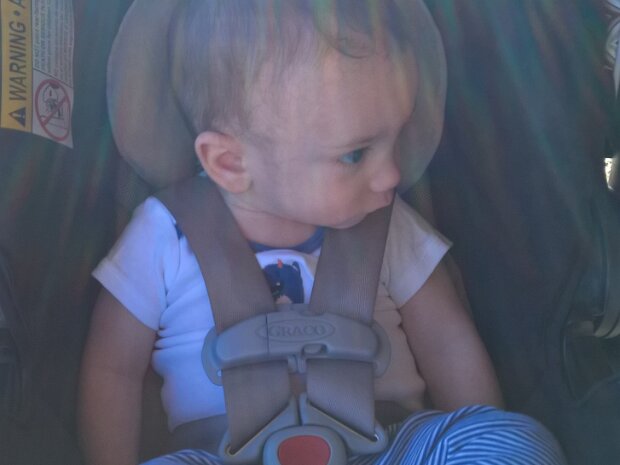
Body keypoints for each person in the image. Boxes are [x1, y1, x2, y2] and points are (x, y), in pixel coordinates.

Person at [78, 1, 567, 464]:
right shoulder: (164, 232)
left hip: (388, 444)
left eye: (397, 137)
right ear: (230, 163)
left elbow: (445, 339)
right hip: (223, 451)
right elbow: (113, 369)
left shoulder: (388, 224)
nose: (392, 175)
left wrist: (481, 430)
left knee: (514, 440)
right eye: (355, 154)